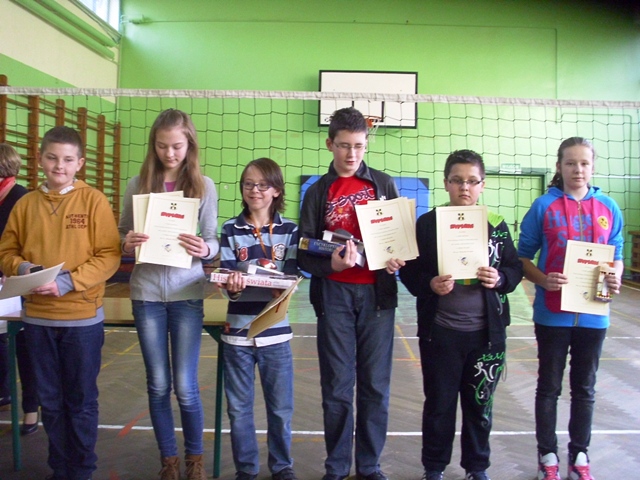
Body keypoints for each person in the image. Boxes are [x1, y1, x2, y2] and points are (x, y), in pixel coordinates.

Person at [0, 127, 121, 480]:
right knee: (50, 403)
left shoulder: (94, 201)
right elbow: (6, 252)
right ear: (40, 159)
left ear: (79, 163)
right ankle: (60, 469)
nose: (59, 166)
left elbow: (109, 256)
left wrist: (67, 282)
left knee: (80, 402)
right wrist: (23, 268)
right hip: (38, 320)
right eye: (52, 158)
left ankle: (81, 470)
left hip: (82, 321)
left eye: (68, 160)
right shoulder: (25, 205)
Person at [399, 149, 523, 480]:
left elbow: (514, 268)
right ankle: (434, 468)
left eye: (472, 181)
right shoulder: (428, 224)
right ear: (446, 183)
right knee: (438, 406)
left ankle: (476, 468)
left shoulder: (496, 225)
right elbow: (409, 272)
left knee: (480, 406)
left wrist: (501, 279)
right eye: (457, 180)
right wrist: (429, 284)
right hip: (440, 333)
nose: (464, 188)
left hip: (486, 336)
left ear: (482, 184)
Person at [297, 107, 403, 480]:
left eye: (359, 146)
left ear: (366, 144)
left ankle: (369, 465)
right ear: (330, 144)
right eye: (344, 145)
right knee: (337, 387)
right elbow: (304, 251)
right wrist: (331, 265)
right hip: (334, 296)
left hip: (377, 297)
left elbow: (399, 242)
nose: (352, 154)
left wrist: (397, 259)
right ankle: (337, 466)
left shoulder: (384, 185)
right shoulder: (317, 192)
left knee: (375, 386)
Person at [118, 109, 219, 480]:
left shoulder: (204, 186)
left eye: (176, 146)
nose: (170, 153)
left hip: (186, 293)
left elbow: (213, 240)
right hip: (146, 295)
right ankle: (169, 462)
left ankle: (195, 460)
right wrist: (126, 242)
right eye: (162, 146)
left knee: (186, 386)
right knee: (158, 384)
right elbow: (121, 234)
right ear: (153, 145)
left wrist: (204, 249)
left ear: (189, 144)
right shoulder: (137, 184)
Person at [517, 137, 624, 480]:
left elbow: (617, 254)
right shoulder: (543, 206)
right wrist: (543, 279)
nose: (578, 169)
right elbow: (522, 258)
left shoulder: (609, 207)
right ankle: (547, 455)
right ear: (559, 166)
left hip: (594, 314)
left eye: (584, 163)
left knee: (585, 388)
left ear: (592, 167)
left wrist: (616, 276)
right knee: (549, 387)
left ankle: (579, 455)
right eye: (570, 163)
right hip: (552, 314)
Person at [216, 157, 299, 480]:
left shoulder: (290, 230)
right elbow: (226, 280)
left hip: (275, 334)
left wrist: (279, 283)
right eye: (249, 184)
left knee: (280, 409)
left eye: (263, 185)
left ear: (276, 190)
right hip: (237, 334)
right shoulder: (230, 229)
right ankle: (246, 470)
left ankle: (282, 466)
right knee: (238, 409)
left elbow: (291, 278)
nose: (255, 190)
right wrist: (234, 288)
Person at [0, 143, 39, 436]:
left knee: (25, 348)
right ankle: (4, 393)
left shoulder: (21, 197)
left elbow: (29, 245)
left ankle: (31, 410)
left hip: (16, 284)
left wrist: (14, 269)